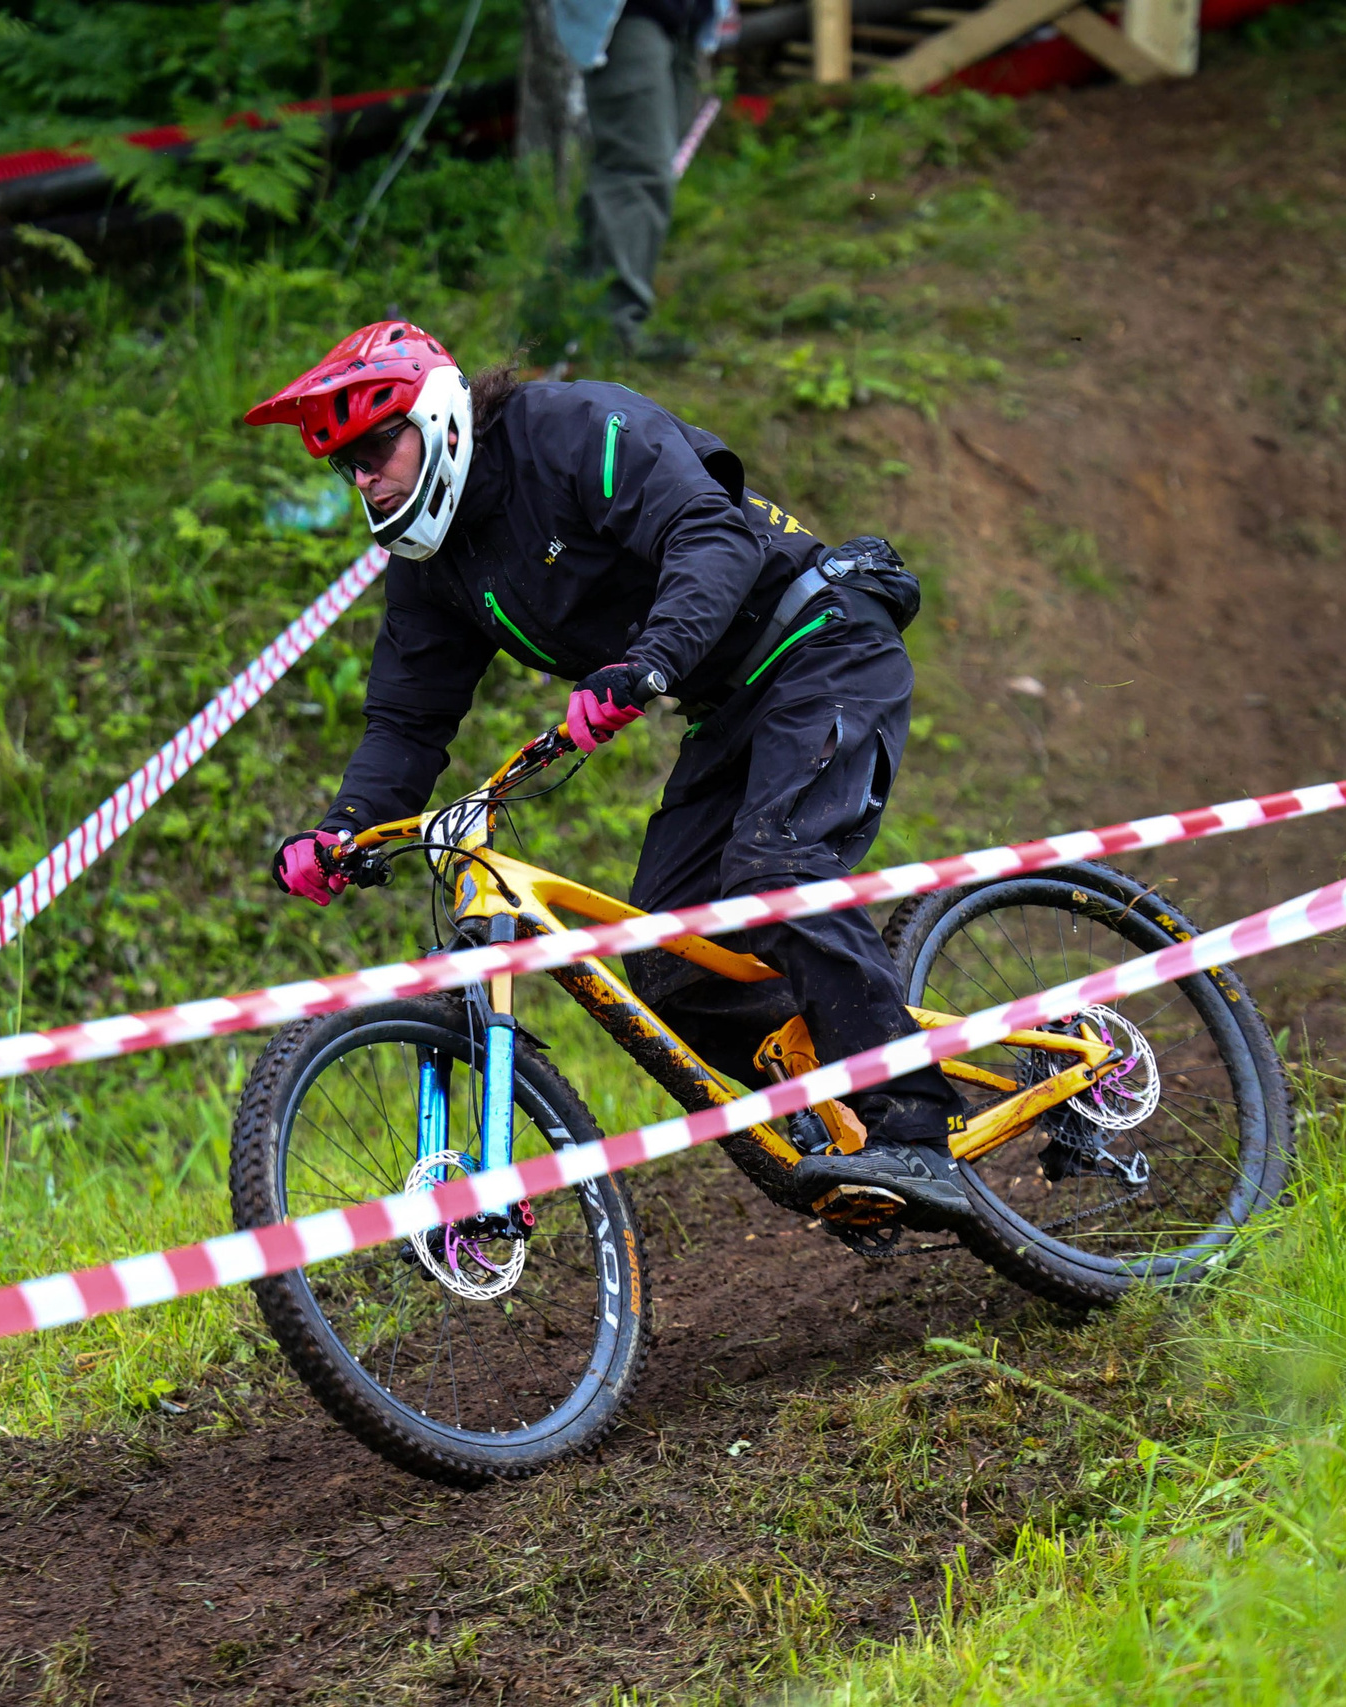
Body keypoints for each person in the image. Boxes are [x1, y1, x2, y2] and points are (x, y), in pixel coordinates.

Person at [244, 320, 971, 1224]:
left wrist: (647, 661)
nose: (363, 478)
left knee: (775, 868)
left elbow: (709, 532)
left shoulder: (572, 430)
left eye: (375, 448)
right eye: (343, 464)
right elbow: (407, 719)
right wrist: (345, 827)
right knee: (667, 963)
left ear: (437, 420)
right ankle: (841, 1125)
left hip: (821, 637)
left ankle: (914, 1125)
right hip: (730, 702)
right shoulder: (432, 567)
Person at [554, 0, 729, 356]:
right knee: (639, 168)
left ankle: (579, 314)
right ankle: (615, 330)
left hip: (681, 19)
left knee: (643, 164)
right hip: (627, 13)